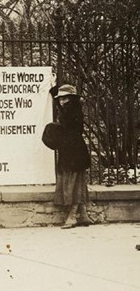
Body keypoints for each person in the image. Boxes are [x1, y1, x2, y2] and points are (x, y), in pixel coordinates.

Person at [50, 84, 91, 229]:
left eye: (65, 98)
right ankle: (83, 215)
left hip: (74, 151)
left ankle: (73, 216)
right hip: (71, 150)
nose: (62, 101)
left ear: (72, 99)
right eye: (60, 99)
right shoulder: (70, 110)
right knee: (77, 182)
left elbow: (67, 124)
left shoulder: (73, 111)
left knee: (72, 183)